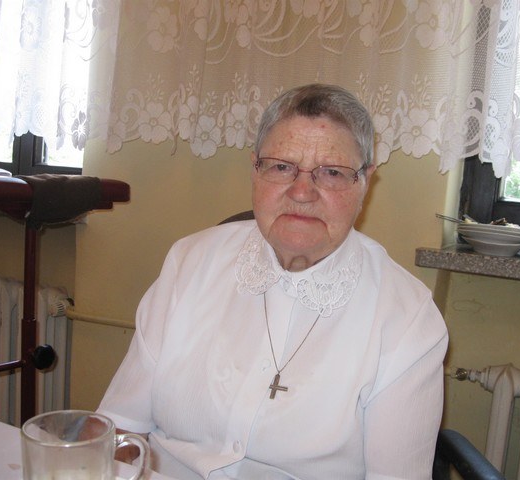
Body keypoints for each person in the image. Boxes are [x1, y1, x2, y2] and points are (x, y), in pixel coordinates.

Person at [98, 83, 448, 479]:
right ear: (255, 170)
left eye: (332, 173)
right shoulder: (189, 261)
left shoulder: (408, 318)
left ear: (365, 182)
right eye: (282, 167)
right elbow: (121, 429)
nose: (302, 192)